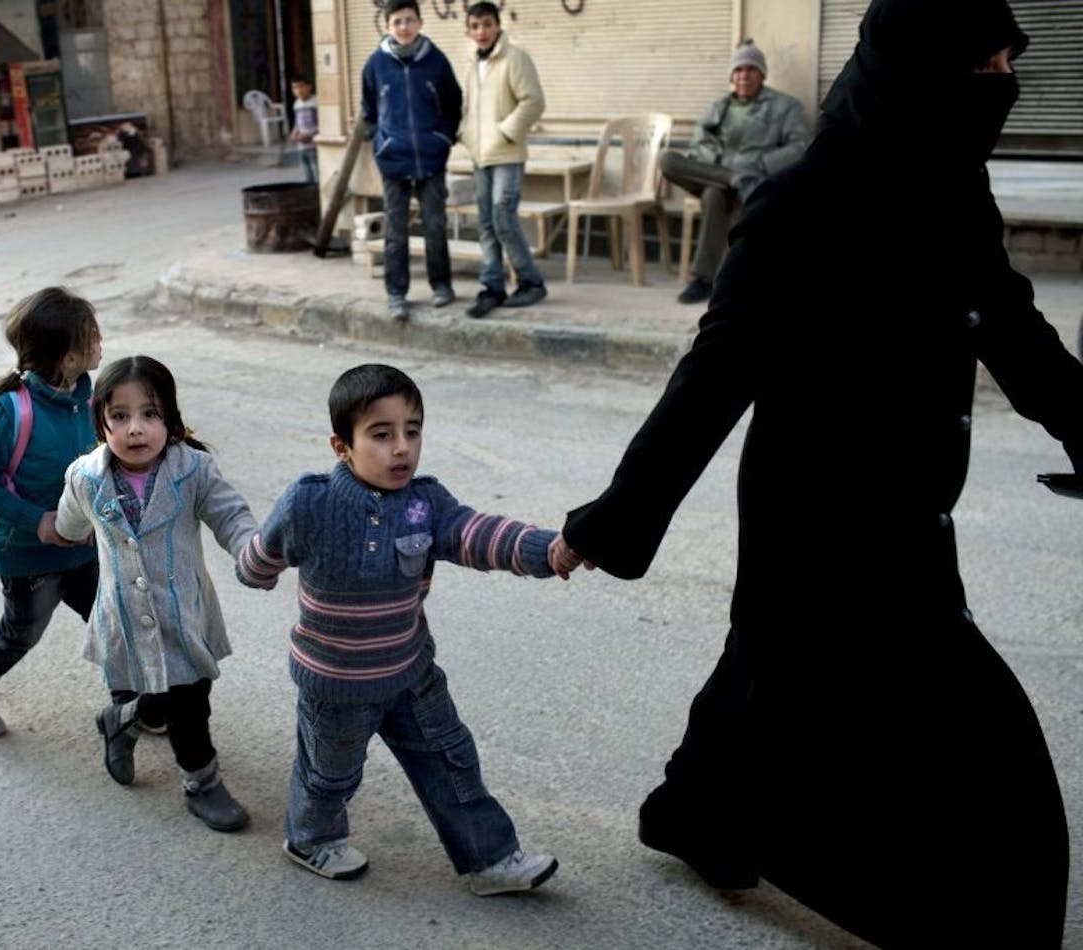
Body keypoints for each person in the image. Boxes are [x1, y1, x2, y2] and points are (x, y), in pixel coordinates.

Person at [552, 0, 1081, 944]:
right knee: (987, 752)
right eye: (983, 67)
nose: (1002, 86)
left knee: (763, 674)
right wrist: (614, 522)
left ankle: (695, 815)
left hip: (915, 508)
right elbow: (712, 377)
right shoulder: (806, 201)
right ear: (919, 77)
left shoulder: (956, 189)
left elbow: (1013, 330)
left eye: (1009, 63)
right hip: (820, 520)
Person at [237, 363, 573, 894]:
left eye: (412, 431)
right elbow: (264, 553)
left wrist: (548, 550)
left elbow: (476, 534)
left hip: (411, 671)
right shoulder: (310, 501)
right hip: (338, 685)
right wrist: (253, 569)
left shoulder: (426, 503)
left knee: (450, 758)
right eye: (381, 434)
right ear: (341, 446)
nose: (402, 449)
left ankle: (490, 859)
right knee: (330, 776)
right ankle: (310, 838)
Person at [54, 355, 258, 832]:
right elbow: (69, 521)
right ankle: (164, 751)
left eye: (150, 414)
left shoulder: (194, 470)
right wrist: (60, 532)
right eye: (119, 417)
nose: (136, 429)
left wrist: (252, 548)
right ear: (101, 421)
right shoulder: (84, 476)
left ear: (170, 417)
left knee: (190, 694)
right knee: (166, 697)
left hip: (184, 611)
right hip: (124, 614)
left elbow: (230, 515)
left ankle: (153, 743)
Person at [0, 287, 118, 740]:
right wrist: (38, 521)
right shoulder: (10, 410)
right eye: (91, 337)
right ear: (67, 358)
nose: (100, 343)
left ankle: (133, 703)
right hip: (29, 556)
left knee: (112, 617)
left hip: (84, 548)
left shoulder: (90, 399)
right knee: (21, 632)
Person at [658, 39, 809, 304]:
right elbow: (698, 145)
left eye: (751, 69)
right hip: (719, 173)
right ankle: (731, 178)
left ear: (762, 74)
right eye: (739, 70)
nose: (744, 76)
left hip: (754, 179)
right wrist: (721, 164)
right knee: (667, 160)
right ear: (731, 76)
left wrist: (761, 165)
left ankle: (703, 280)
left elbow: (799, 147)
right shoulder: (718, 108)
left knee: (713, 196)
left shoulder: (785, 106)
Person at [360, 0, 463, 321]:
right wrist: (382, 143)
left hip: (431, 158)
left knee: (434, 224)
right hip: (394, 160)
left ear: (419, 22)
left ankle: (442, 286)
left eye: (409, 20)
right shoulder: (376, 64)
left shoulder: (436, 61)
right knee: (396, 229)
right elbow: (368, 112)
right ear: (388, 26)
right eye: (397, 22)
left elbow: (453, 105)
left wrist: (442, 139)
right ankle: (396, 294)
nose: (403, 27)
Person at [458, 1, 547, 319]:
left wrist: (505, 132)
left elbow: (533, 101)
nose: (481, 31)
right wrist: (466, 134)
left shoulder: (515, 58)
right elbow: (469, 109)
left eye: (486, 24)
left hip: (507, 153)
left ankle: (530, 282)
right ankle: (492, 287)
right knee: (485, 222)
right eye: (475, 26)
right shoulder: (473, 64)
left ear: (497, 25)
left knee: (502, 217)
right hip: (480, 155)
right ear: (469, 31)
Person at [289, 76, 319, 184]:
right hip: (301, 145)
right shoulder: (296, 104)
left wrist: (311, 135)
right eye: (295, 88)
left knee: (316, 173)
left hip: (313, 144)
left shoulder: (315, 102)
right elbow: (297, 123)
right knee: (306, 172)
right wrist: (294, 133)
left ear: (309, 86)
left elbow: (322, 123)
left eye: (301, 86)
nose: (298, 91)